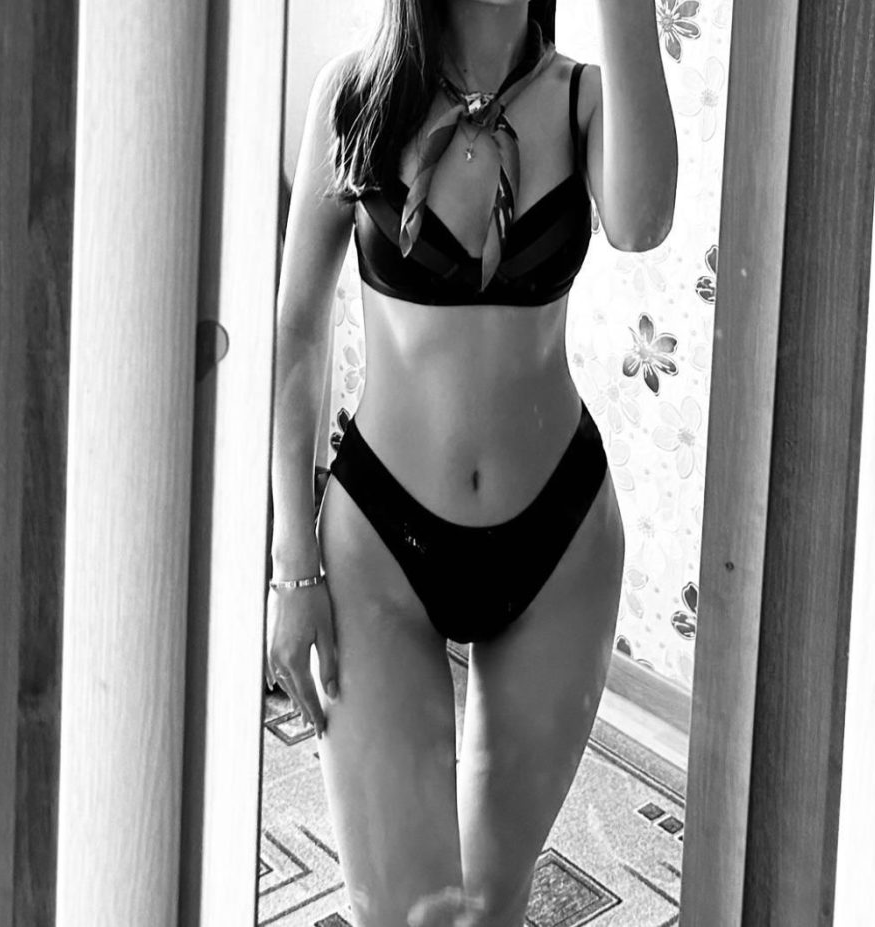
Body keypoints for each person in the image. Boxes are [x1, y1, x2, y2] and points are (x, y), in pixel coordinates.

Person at [266, 0, 676, 923]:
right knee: (407, 911)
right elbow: (297, 336)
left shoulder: (582, 101)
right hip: (380, 547)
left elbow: (643, 221)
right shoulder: (355, 95)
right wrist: (293, 566)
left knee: (487, 906)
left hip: (560, 545)